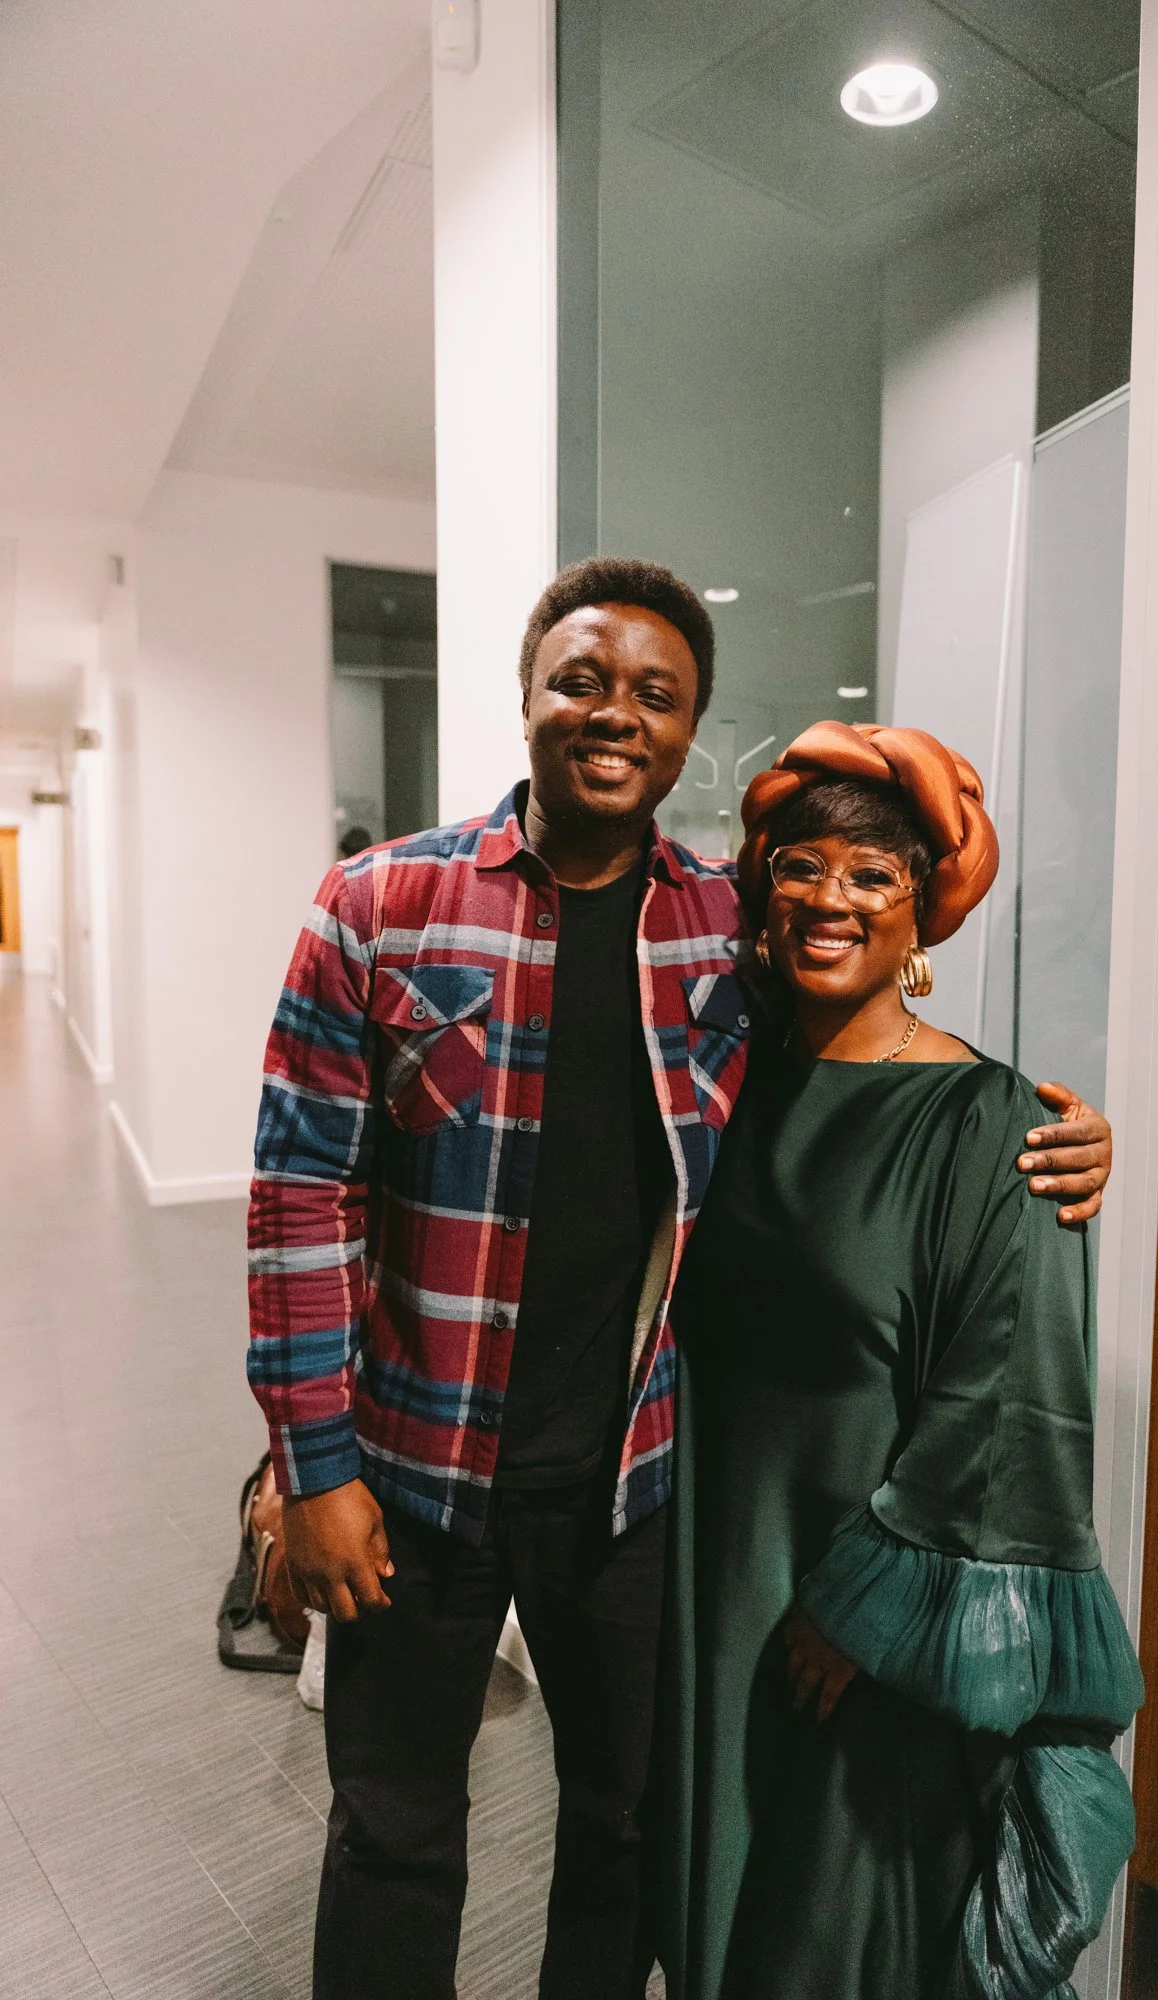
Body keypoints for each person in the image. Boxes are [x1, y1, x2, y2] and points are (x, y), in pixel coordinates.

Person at [245, 560, 1113, 2000]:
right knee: (395, 1839)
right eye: (582, 679)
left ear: (689, 729)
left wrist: (1060, 1131)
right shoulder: (380, 905)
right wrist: (308, 1466)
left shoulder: (724, 935)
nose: (614, 714)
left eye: (656, 694)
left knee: (619, 1835)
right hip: (410, 1472)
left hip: (631, 1489)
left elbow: (872, 1028)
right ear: (525, 692)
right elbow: (298, 1200)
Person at [662, 720, 1143, 2000]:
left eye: (873, 876)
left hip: (862, 1609)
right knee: (709, 1897)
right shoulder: (715, 1077)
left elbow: (1009, 1392)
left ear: (921, 912)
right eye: (802, 866)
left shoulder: (992, 1125)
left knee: (827, 1936)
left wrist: (867, 1607)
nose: (831, 899)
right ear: (761, 886)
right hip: (709, 1562)